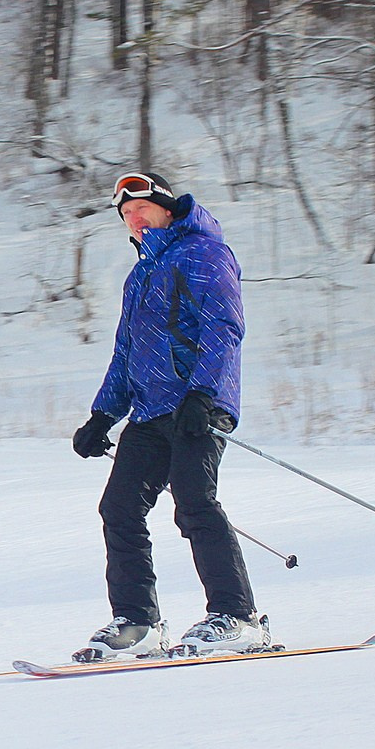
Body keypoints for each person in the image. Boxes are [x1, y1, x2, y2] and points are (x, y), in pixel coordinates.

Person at [70, 171, 269, 662]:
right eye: (125, 214)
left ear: (166, 208)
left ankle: (237, 617)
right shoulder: (140, 276)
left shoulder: (204, 254)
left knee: (195, 503)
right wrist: (103, 414)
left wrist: (205, 394)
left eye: (141, 208)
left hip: (198, 407)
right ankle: (138, 622)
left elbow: (224, 327)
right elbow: (126, 352)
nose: (134, 219)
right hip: (151, 410)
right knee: (118, 508)